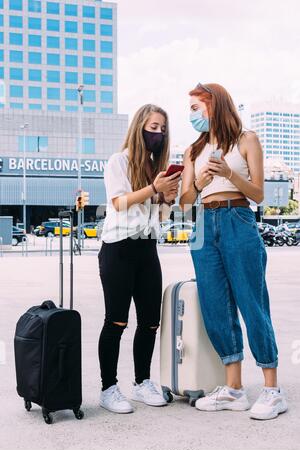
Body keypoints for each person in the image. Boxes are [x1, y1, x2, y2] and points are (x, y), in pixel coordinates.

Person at [180, 83, 287, 420]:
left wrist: (228, 174)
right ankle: (234, 389)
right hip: (203, 225)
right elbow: (184, 203)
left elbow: (258, 193)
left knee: (251, 302)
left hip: (238, 218)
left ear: (216, 106)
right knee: (215, 305)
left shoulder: (246, 139)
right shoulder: (192, 151)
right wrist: (199, 183)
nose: (192, 114)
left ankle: (272, 390)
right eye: (191, 108)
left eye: (197, 107)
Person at [98, 104, 181, 414]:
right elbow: (119, 202)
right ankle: (108, 388)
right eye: (153, 127)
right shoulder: (118, 161)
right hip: (118, 248)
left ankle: (142, 382)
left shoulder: (152, 167)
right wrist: (152, 188)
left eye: (162, 129)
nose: (157, 133)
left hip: (147, 248)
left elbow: (159, 214)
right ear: (139, 127)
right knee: (116, 321)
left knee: (150, 322)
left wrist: (166, 198)